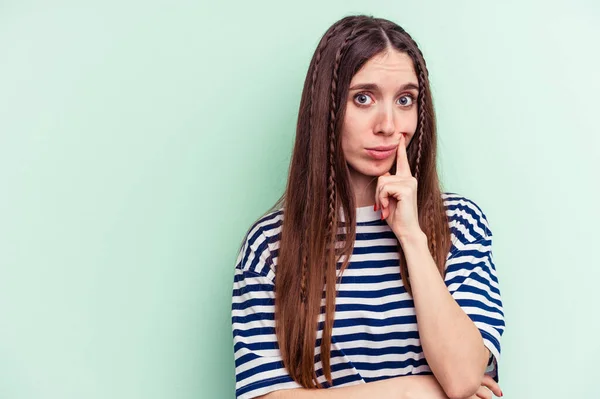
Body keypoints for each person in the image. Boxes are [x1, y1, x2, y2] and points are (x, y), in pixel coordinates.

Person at [231, 14, 505, 399]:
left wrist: (411, 236)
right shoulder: (271, 245)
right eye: (363, 98)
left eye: (405, 100)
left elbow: (461, 377)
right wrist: (417, 392)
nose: (388, 125)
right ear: (326, 110)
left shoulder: (460, 224)